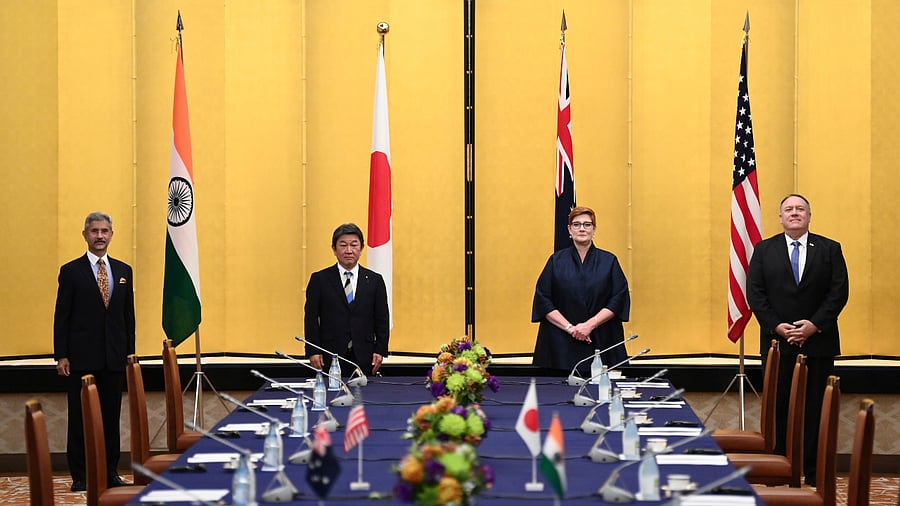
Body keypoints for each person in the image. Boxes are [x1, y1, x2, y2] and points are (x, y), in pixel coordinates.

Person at [747, 193, 849, 487]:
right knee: (778, 409)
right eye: (789, 209)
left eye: (800, 209)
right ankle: (777, 472)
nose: (794, 213)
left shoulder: (830, 249)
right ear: (780, 217)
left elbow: (838, 292)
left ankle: (816, 474)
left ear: (809, 215)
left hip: (818, 344)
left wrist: (813, 326)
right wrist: (778, 326)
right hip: (777, 345)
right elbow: (756, 294)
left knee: (818, 410)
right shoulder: (764, 250)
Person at [53, 212, 135, 492]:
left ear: (112, 234)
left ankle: (110, 471)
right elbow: (61, 316)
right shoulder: (71, 271)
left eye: (105, 231)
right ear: (85, 235)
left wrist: (130, 353)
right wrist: (61, 354)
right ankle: (81, 475)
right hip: (80, 358)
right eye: (94, 231)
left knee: (111, 418)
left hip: (114, 358)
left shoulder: (124, 271)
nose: (100, 236)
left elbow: (128, 316)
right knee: (80, 417)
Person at [531, 206, 631, 371]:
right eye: (576, 224)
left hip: (600, 337)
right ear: (569, 229)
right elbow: (543, 299)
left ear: (594, 229)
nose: (582, 229)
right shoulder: (556, 261)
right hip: (561, 340)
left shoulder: (609, 261)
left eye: (587, 224)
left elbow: (619, 298)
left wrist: (589, 325)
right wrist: (571, 328)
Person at [304, 223, 390, 375]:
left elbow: (382, 319)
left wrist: (380, 350)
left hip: (365, 354)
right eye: (343, 245)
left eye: (354, 245)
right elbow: (311, 319)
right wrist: (313, 350)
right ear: (334, 249)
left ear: (361, 248)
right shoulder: (320, 279)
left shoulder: (375, 280)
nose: (349, 250)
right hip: (329, 355)